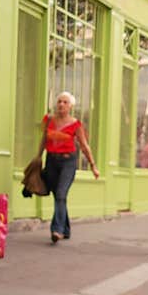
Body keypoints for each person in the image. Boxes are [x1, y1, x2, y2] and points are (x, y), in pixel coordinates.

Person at [38, 91, 99, 243]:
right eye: (59, 101)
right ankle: (66, 229)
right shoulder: (49, 119)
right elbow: (44, 139)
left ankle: (57, 230)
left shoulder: (75, 124)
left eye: (65, 102)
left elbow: (84, 146)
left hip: (68, 162)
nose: (61, 104)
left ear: (71, 106)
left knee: (61, 194)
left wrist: (93, 166)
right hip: (51, 161)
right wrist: (38, 157)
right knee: (58, 195)